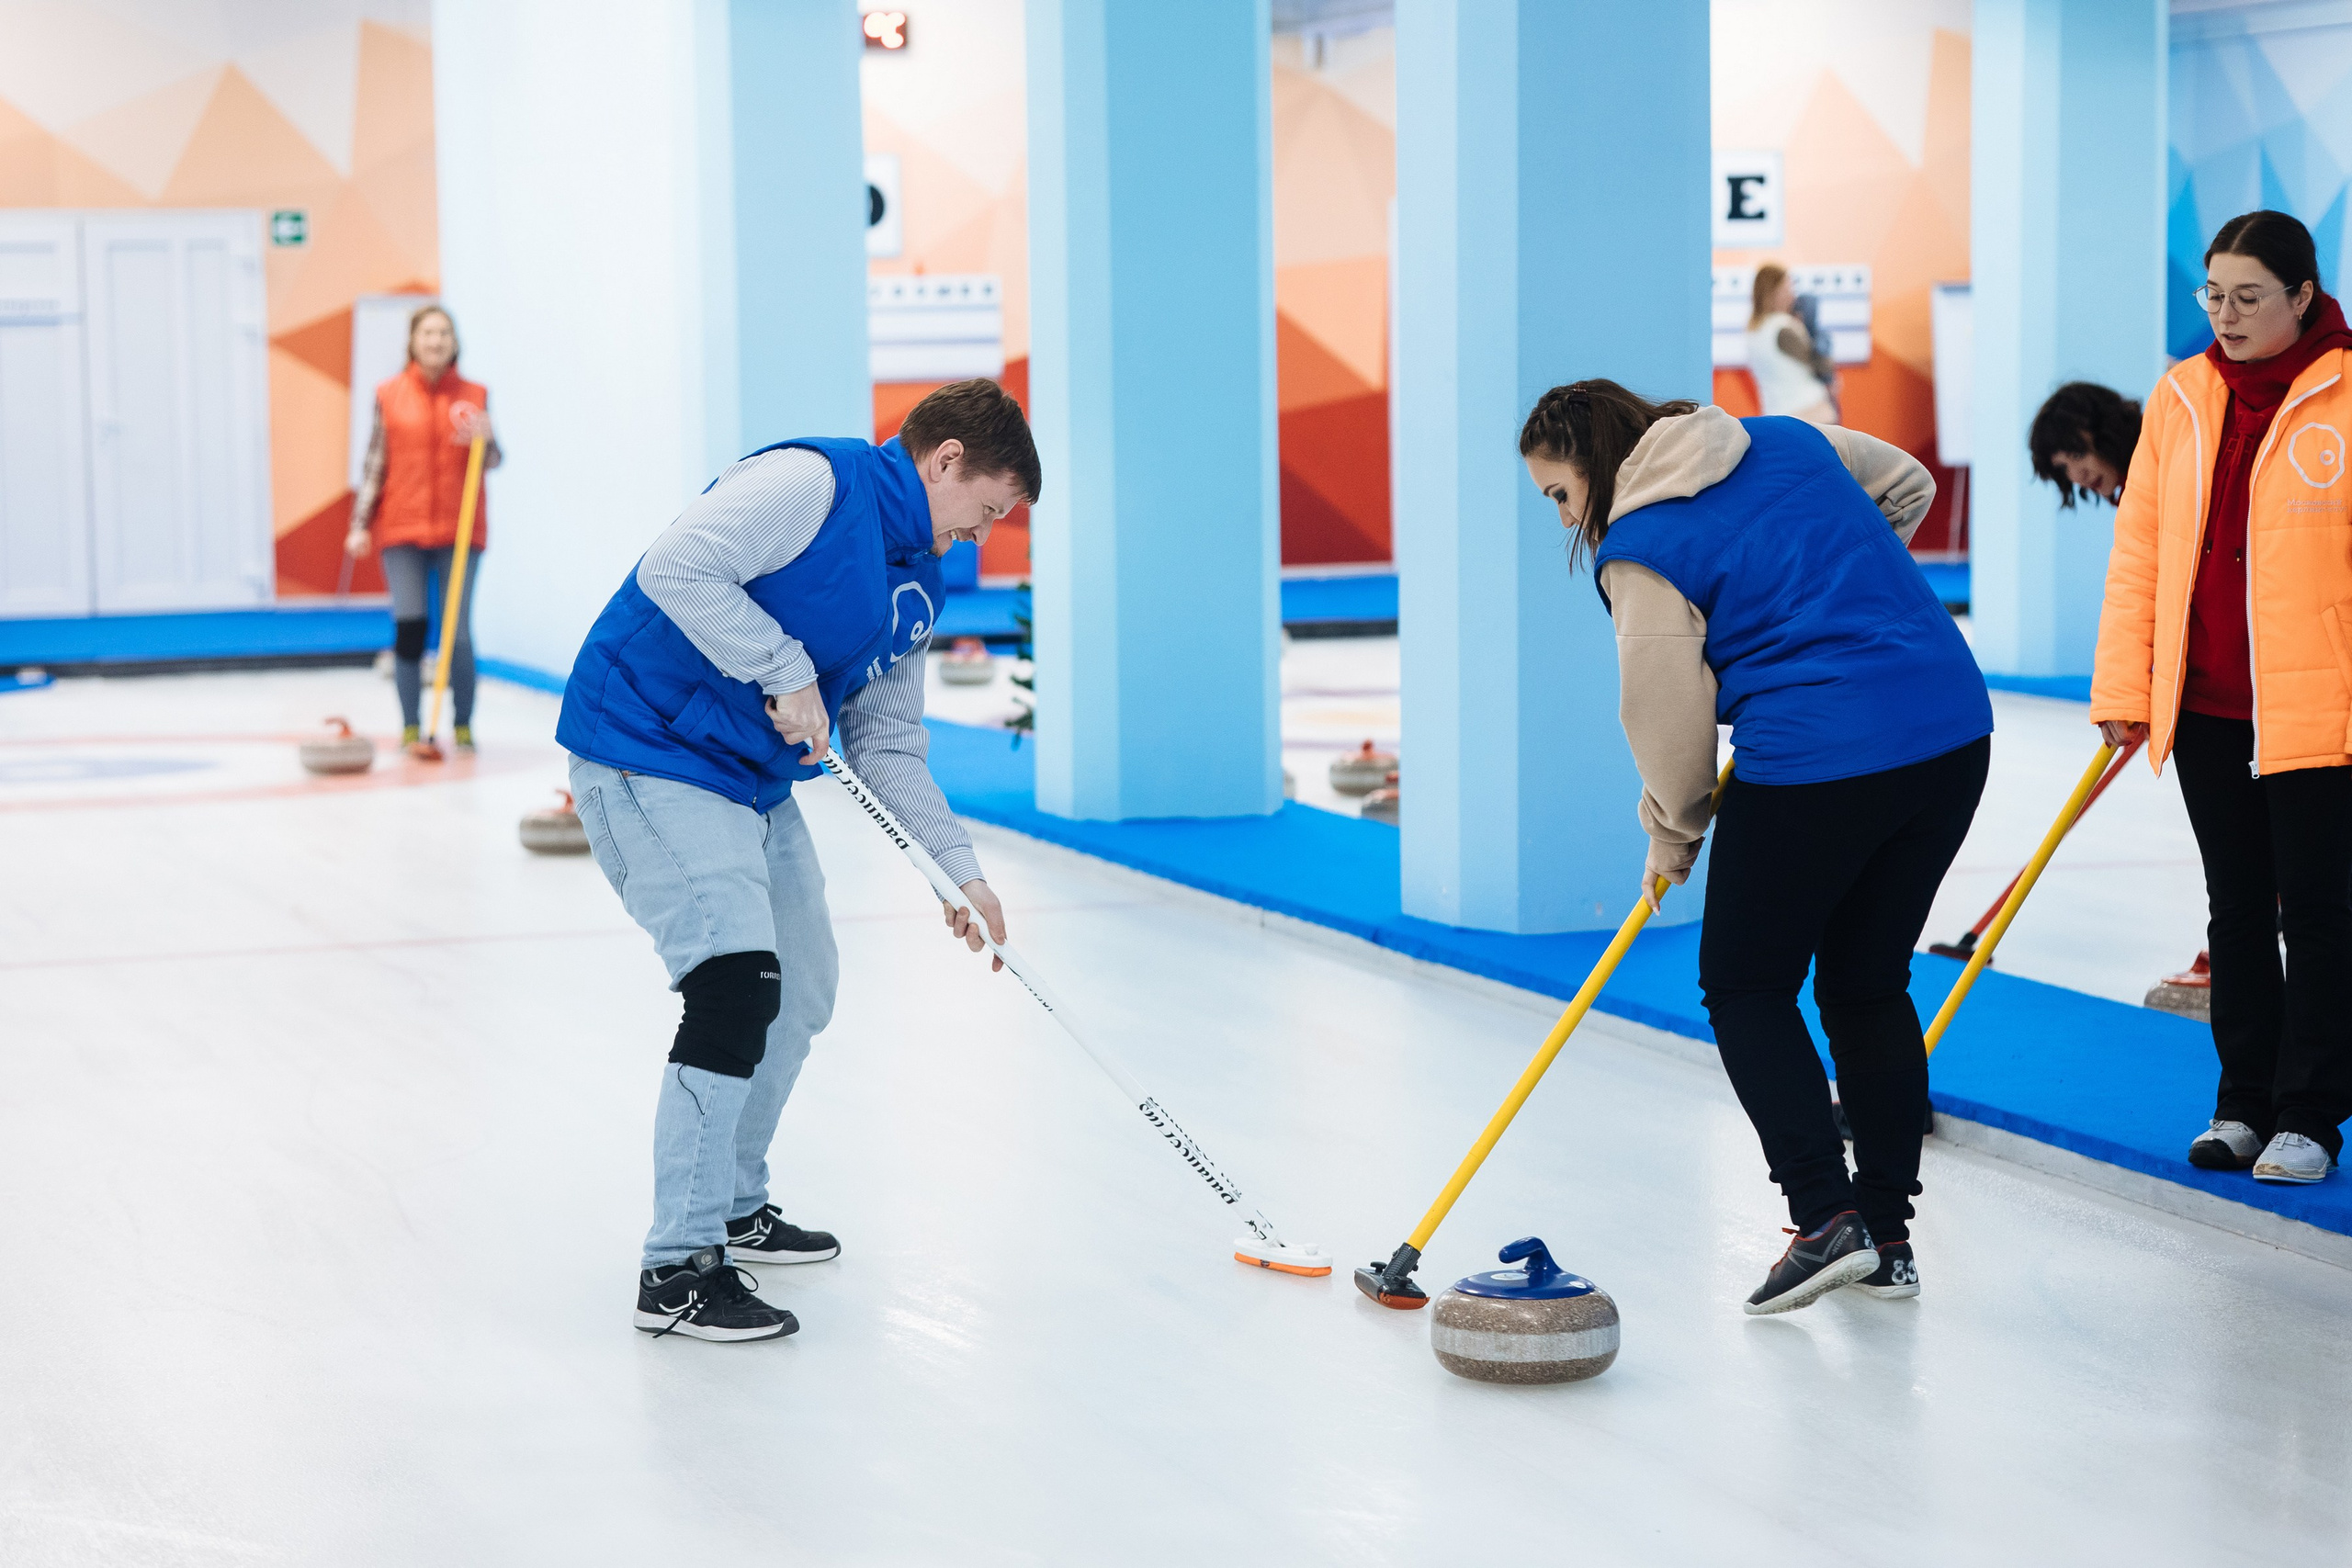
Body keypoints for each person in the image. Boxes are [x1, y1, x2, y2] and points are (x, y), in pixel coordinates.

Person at [558, 378, 1039, 1342]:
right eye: (986, 510)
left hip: (746, 779)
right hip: (645, 748)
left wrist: (956, 869)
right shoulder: (810, 483)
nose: (984, 533)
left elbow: (888, 741)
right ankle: (678, 1266)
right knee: (736, 983)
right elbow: (676, 567)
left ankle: (733, 1201)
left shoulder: (919, 581)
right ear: (946, 460)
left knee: (803, 986)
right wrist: (782, 669)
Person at [1521, 379, 1991, 1314]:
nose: (1566, 517)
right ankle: (1887, 1237)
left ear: (1598, 467)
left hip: (1822, 757)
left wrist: (1671, 833)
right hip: (1949, 729)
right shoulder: (1783, 439)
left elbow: (1666, 725)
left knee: (1744, 982)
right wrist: (1836, 595)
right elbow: (1904, 486)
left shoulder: (1638, 548)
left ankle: (1825, 1217)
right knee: (1866, 982)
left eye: (1559, 495)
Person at [2091, 209, 2352, 1187]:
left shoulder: (2344, 389)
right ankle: (2241, 1102)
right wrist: (2124, 686)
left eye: (2249, 298)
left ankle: (2311, 1115)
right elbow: (2142, 553)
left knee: (2319, 913)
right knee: (2234, 911)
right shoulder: (2184, 395)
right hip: (2205, 704)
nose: (2227, 315)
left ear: (2301, 295)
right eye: (2214, 296)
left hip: (2319, 707)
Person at [345, 304, 500, 751]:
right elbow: (376, 463)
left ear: (455, 341)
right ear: (413, 341)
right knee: (411, 626)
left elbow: (493, 460)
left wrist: (486, 439)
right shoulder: (390, 393)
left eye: (444, 333)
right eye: (428, 333)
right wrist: (360, 524)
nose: (436, 341)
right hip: (403, 528)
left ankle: (464, 725)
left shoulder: (475, 395)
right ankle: (411, 726)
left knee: (458, 631)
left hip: (461, 530)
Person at [1745, 264, 1838, 425]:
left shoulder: (1753, 331)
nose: (1792, 295)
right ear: (1775, 293)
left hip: (1775, 413)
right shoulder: (1784, 327)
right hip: (1809, 413)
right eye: (1788, 288)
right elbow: (1821, 365)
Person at [2030, 381, 2141, 507]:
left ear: (2110, 429)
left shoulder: (2160, 465)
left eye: (2078, 454)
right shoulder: (2131, 499)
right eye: (2064, 468)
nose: (2077, 476)